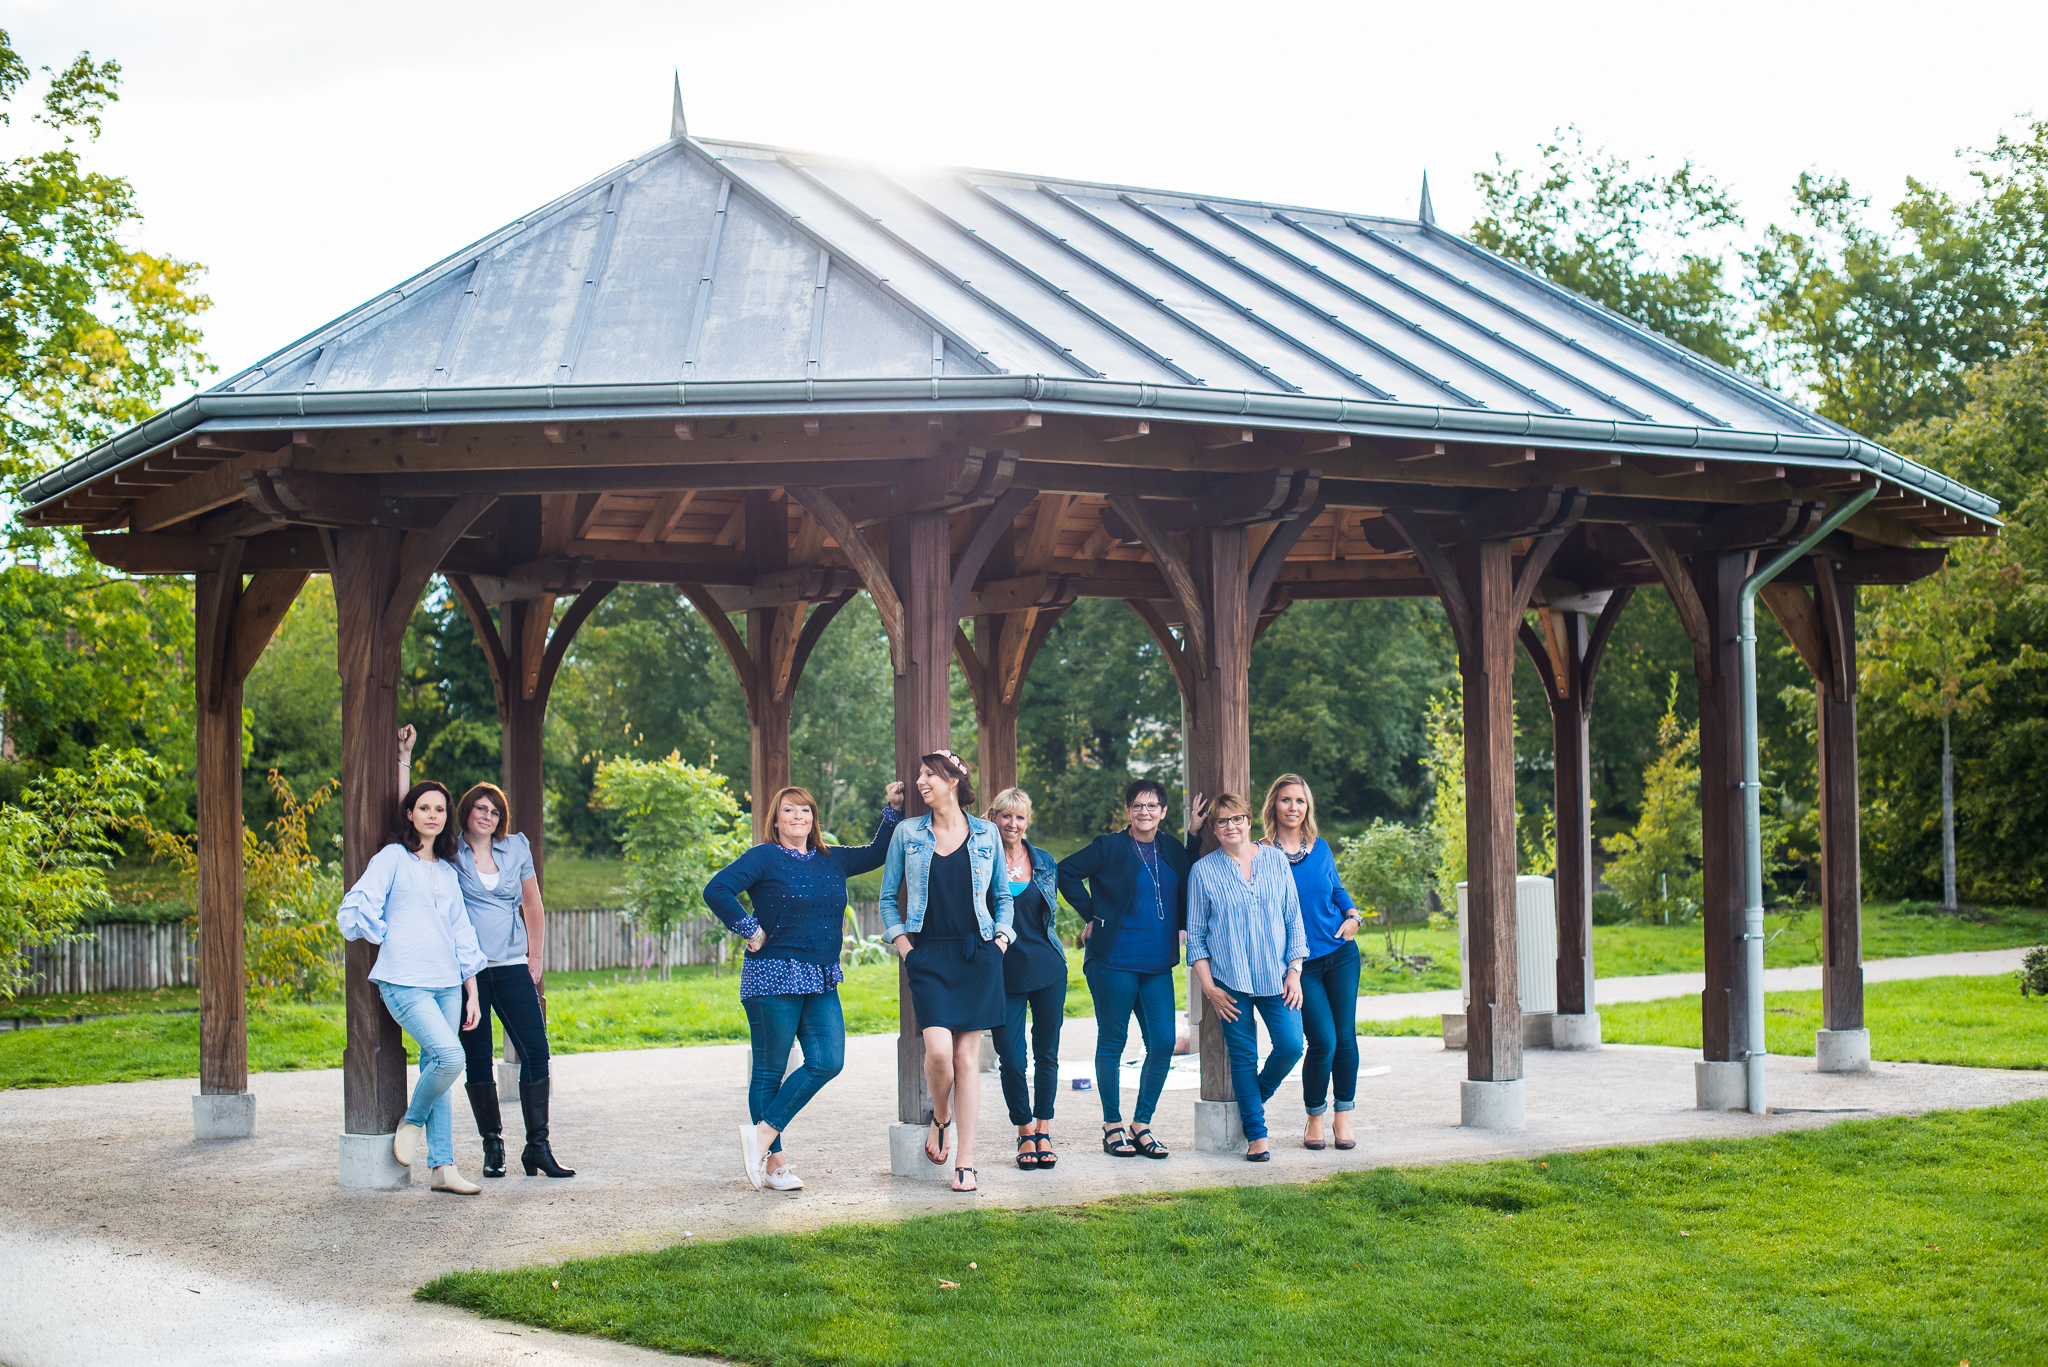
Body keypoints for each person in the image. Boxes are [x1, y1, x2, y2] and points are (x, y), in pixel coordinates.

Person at [705, 779, 905, 1192]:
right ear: (776, 821)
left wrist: (894, 808)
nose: (798, 816)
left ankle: (761, 1134)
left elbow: (877, 853)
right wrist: (749, 929)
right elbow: (717, 889)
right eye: (789, 810)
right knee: (770, 1072)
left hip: (820, 975)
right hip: (773, 974)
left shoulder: (832, 858)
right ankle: (775, 1165)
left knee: (828, 1060)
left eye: (805, 810)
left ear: (814, 819)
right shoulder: (764, 857)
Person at [336, 779, 488, 1195]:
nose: (432, 815)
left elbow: (462, 933)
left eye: (439, 809)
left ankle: (443, 1168)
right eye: (424, 808)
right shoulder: (393, 857)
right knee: (450, 1058)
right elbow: (360, 903)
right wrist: (385, 933)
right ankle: (413, 1121)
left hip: (448, 984)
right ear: (410, 813)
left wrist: (472, 991)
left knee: (437, 1068)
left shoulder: (448, 872)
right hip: (404, 980)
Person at [880, 752, 1012, 1194]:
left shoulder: (987, 833)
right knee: (939, 1054)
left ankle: (966, 1161)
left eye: (929, 774)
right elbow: (887, 899)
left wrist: (1000, 942)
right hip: (929, 955)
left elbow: (1003, 897)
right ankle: (942, 1114)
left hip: (977, 955)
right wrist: (906, 950)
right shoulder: (907, 833)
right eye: (920, 774)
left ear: (954, 780)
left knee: (966, 1060)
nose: (921, 781)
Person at [1056, 778, 1209, 1161]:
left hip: (1157, 964)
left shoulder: (1169, 847)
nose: (1145, 812)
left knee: (1162, 1043)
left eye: (1152, 806)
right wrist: (1091, 915)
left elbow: (1190, 870)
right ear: (1127, 810)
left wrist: (1193, 835)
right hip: (1113, 961)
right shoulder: (1108, 846)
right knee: (1113, 1041)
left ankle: (1141, 1124)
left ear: (1163, 811)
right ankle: (1112, 1124)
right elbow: (1064, 872)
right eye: (1138, 805)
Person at [447, 781, 575, 1179]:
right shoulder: (449, 851)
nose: (487, 816)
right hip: (468, 970)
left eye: (495, 811)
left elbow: (532, 902)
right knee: (477, 1056)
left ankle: (538, 1147)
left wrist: (535, 955)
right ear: (467, 811)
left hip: (512, 962)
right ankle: (493, 1145)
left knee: (536, 1051)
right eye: (480, 809)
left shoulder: (516, 847)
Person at [1187, 791, 1307, 1162]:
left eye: (1237, 819)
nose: (1230, 826)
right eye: (1222, 821)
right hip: (1230, 980)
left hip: (1277, 976)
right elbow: (1196, 937)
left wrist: (1295, 971)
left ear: (1249, 821)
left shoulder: (1275, 860)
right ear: (1214, 829)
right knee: (1243, 1058)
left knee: (1291, 1045)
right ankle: (1257, 1136)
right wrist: (1210, 989)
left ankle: (1252, 1101)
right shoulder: (1203, 871)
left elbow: (1293, 919)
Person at [1260, 773, 1362, 1151]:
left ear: (1308, 807)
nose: (1293, 807)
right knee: (1323, 1040)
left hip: (1341, 953)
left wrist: (1353, 915)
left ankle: (1343, 1116)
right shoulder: (1260, 853)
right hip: (1300, 966)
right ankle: (1314, 1117)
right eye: (1286, 799)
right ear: (1274, 805)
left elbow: (1335, 888)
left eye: (1300, 801)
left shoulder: (1320, 847)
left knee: (1346, 1038)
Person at [984, 787, 1065, 1171]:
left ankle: (1043, 1129)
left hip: (1047, 970)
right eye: (1005, 815)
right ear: (993, 818)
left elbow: (1050, 914)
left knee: (1047, 1054)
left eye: (1019, 817)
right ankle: (1024, 1130)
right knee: (1013, 1060)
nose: (1012, 824)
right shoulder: (980, 860)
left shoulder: (1043, 860)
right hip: (1003, 975)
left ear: (1027, 821)